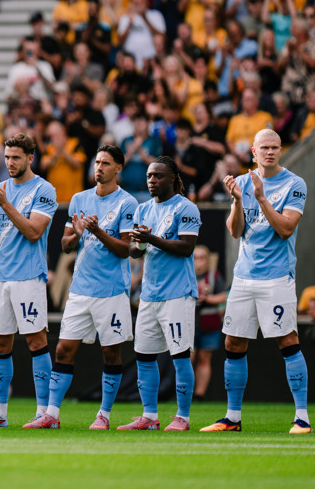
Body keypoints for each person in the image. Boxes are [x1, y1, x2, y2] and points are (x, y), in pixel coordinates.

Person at [202, 129, 310, 434]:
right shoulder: (243, 182)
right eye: (265, 147)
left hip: (277, 276)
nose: (271, 152)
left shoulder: (293, 183)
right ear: (253, 151)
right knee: (233, 342)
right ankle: (232, 418)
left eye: (275, 146)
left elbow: (286, 229)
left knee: (287, 340)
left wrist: (261, 198)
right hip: (244, 276)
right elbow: (235, 231)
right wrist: (237, 201)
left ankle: (302, 417)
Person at [41, 145, 138, 429]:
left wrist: (97, 232)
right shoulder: (79, 199)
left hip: (112, 290)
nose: (99, 168)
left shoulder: (127, 203)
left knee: (110, 353)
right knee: (63, 350)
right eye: (97, 162)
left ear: (118, 168)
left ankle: (104, 415)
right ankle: (52, 415)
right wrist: (78, 235)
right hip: (81, 288)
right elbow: (65, 245)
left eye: (105, 163)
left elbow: (124, 249)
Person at [0, 133, 57, 428]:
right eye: (7, 157)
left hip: (28, 276)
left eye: (16, 158)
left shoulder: (44, 190)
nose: (10, 163)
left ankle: (45, 413)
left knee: (36, 340)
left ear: (30, 158)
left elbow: (34, 231)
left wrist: (5, 204)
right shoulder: (0, 190)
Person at [122, 156, 201, 431]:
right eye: (149, 176)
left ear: (172, 178)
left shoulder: (186, 208)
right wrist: (139, 244)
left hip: (177, 293)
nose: (152, 180)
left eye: (157, 176)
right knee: (144, 355)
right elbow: (134, 251)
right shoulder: (142, 209)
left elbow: (186, 248)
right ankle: (150, 416)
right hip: (149, 294)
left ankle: (183, 417)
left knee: (179, 355)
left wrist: (150, 238)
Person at [192, 245, 226, 401]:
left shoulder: (214, 276)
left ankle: (200, 394)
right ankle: (184, 391)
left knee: (205, 359)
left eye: (202, 258)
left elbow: (225, 296)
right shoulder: (185, 275)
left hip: (209, 323)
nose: (198, 262)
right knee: (189, 358)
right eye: (195, 257)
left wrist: (208, 299)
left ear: (207, 260)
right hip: (189, 324)